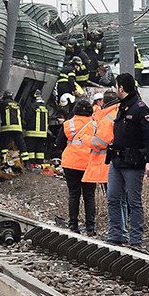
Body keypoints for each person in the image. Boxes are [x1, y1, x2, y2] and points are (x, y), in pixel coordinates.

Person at [105, 73, 149, 247]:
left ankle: (136, 239)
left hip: (133, 162)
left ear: (121, 88)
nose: (114, 90)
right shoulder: (122, 107)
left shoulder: (140, 108)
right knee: (112, 197)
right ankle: (115, 235)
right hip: (117, 160)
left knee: (133, 201)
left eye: (116, 86)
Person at [56, 100, 95, 235]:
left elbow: (59, 143)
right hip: (89, 163)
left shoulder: (68, 124)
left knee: (74, 194)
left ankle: (73, 225)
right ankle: (90, 227)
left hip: (71, 163)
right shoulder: (95, 125)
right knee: (89, 195)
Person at [0, 92, 28, 166]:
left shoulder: (4, 103)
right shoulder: (17, 104)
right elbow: (23, 116)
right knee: (21, 146)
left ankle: (4, 161)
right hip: (17, 128)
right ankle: (26, 163)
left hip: (7, 128)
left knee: (4, 146)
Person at [23, 90, 49, 168]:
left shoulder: (32, 106)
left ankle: (31, 164)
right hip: (43, 133)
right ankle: (39, 164)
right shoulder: (45, 107)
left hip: (32, 132)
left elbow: (27, 117)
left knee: (31, 148)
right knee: (40, 149)